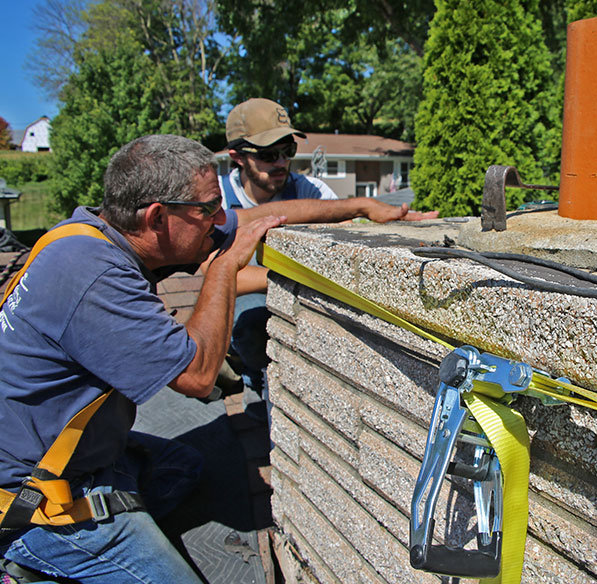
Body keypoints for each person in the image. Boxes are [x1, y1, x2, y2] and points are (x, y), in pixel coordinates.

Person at [0, 133, 431, 583]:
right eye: (209, 210)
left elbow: (261, 217)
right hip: (37, 492)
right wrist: (226, 267)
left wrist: (361, 209)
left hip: (66, 450)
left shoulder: (85, 234)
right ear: (156, 217)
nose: (221, 220)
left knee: (182, 469)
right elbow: (199, 376)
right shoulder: (95, 280)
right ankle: (30, 562)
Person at [217, 98, 438, 417]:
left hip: (302, 293)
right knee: (250, 327)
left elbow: (345, 242)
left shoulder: (311, 190)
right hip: (252, 306)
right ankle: (259, 379)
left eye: (287, 151)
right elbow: (220, 277)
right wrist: (294, 275)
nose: (281, 163)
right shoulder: (220, 200)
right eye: (268, 155)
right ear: (237, 157)